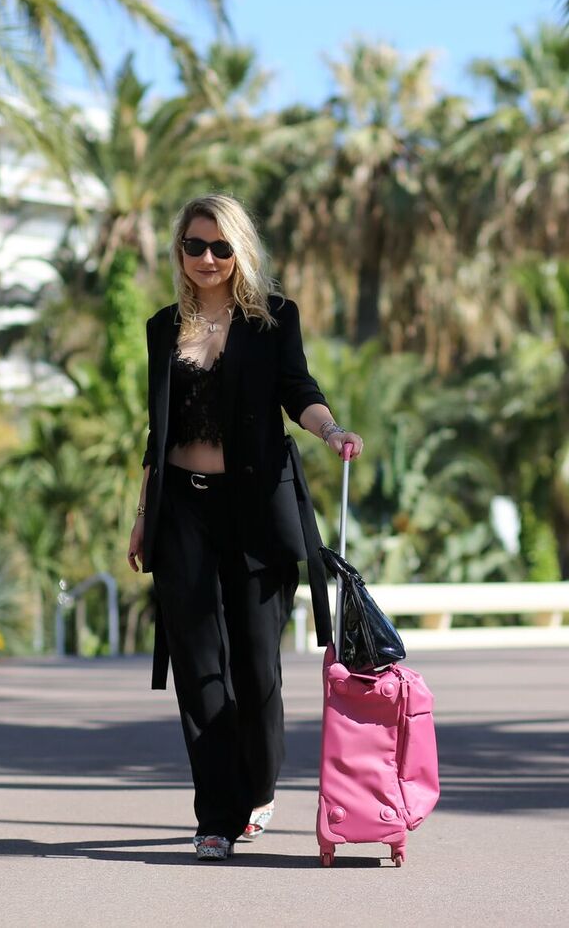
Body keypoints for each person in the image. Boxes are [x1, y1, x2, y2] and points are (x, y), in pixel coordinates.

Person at [126, 193, 364, 862]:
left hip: (256, 510)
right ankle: (215, 815)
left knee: (257, 669)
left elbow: (299, 389)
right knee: (200, 667)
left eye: (220, 247)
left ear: (240, 253)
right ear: (180, 251)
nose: (207, 258)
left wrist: (331, 429)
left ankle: (258, 787)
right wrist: (145, 514)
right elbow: (159, 430)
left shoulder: (272, 321)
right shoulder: (162, 327)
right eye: (195, 246)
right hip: (183, 511)